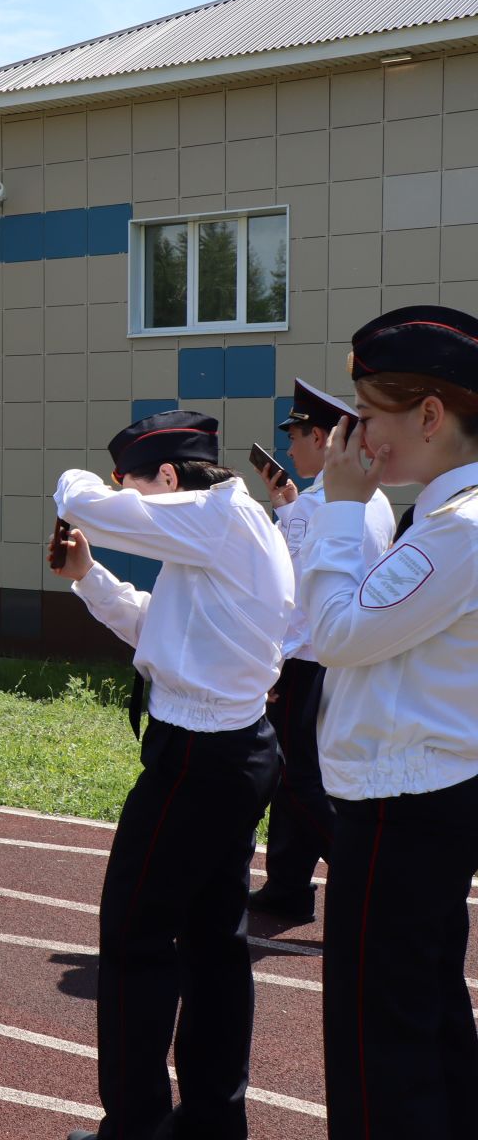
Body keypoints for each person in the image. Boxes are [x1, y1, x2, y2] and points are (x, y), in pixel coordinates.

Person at [49, 410, 292, 1140]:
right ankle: (214, 1123)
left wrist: (78, 487)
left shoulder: (217, 516)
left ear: (169, 478)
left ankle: (137, 1127)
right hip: (231, 748)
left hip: (198, 758)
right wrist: (91, 578)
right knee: (215, 943)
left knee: (133, 941)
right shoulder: (230, 530)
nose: (135, 509)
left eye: (137, 488)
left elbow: (81, 501)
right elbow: (169, 630)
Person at [299, 305, 478, 1137]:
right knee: (430, 1023)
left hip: (405, 808)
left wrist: (339, 508)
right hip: (424, 798)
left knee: (381, 1051)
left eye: (370, 415)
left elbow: (337, 633)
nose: (358, 437)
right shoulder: (447, 520)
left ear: (432, 416)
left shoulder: (459, 529)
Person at [248, 379, 395, 925]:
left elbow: (285, 580)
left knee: (299, 779)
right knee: (297, 778)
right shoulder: (371, 499)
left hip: (308, 659)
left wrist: (285, 511)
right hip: (338, 657)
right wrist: (288, 505)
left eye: (296, 436)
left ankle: (368, 881)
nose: (288, 450)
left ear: (323, 438)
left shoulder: (321, 501)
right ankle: (287, 885)